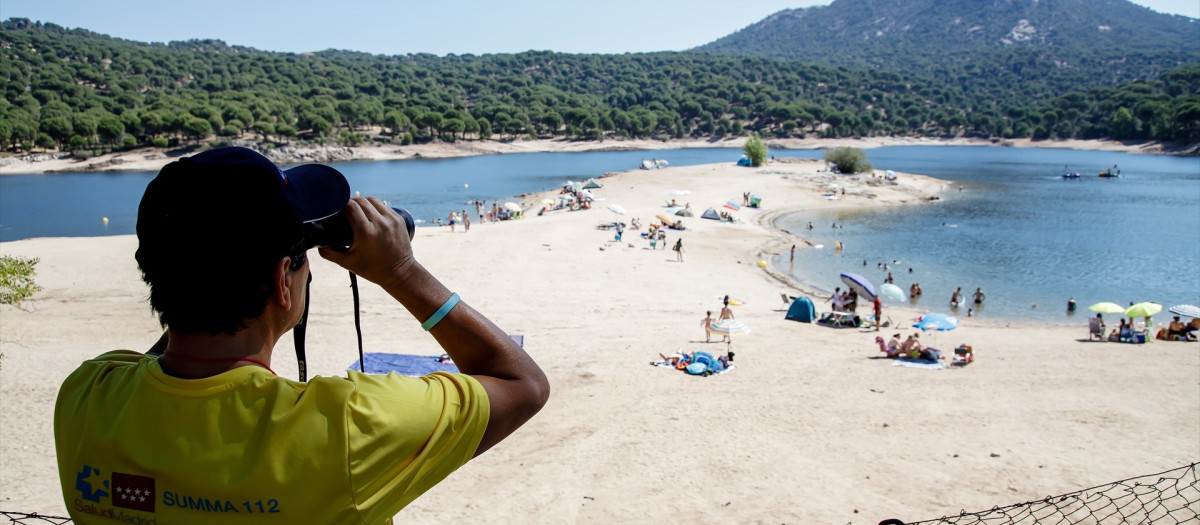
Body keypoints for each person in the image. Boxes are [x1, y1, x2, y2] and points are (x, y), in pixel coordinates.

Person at [54, 147, 549, 524]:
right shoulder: (348, 427)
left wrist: (204, 266)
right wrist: (400, 270)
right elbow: (522, 383)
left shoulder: (87, 397)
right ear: (279, 283)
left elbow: (174, 339)